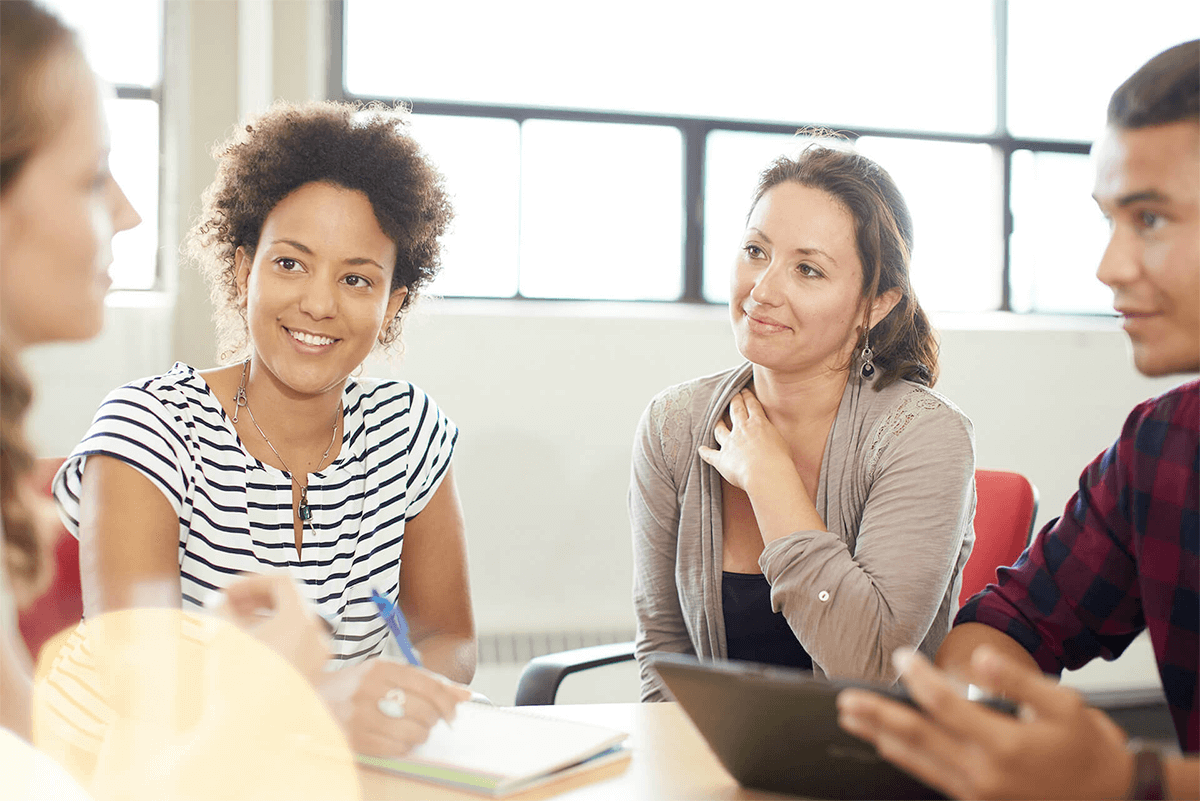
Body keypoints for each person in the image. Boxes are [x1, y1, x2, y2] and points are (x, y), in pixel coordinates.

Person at [47, 99, 475, 758]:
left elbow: (449, 637)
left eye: (357, 278)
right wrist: (320, 711)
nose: (319, 302)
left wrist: (397, 702)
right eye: (289, 263)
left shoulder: (407, 432)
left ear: (391, 303)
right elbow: (141, 680)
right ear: (245, 268)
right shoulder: (150, 428)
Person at [837, 39, 1199, 800]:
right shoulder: (1160, 448)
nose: (1109, 267)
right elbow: (1011, 623)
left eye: (1153, 219)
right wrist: (973, 716)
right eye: (1109, 220)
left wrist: (1139, 780)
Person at [631, 142, 977, 701]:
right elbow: (663, 651)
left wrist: (769, 479)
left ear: (876, 304)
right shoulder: (674, 425)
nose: (762, 291)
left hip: (875, 773)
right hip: (718, 774)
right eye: (755, 251)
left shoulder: (924, 436)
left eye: (808, 269)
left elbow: (863, 664)